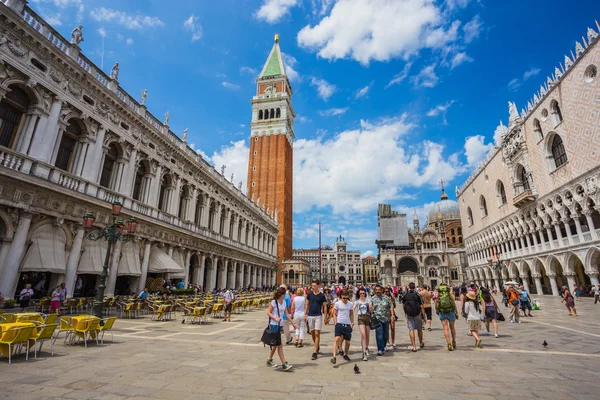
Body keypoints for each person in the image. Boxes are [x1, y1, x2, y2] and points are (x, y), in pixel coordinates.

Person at [266, 287, 296, 371]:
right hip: (274, 325)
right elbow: (268, 312)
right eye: (284, 294)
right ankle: (284, 363)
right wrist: (275, 318)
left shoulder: (284, 302)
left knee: (275, 345)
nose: (284, 295)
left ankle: (269, 359)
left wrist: (292, 322)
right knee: (279, 345)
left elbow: (286, 313)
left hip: (280, 325)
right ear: (280, 294)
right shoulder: (274, 302)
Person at [305, 280, 328, 360]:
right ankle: (317, 345)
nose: (312, 287)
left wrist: (325, 316)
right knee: (312, 333)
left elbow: (325, 306)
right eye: (312, 286)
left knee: (317, 333)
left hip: (318, 315)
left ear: (318, 286)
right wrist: (305, 314)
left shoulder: (322, 296)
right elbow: (307, 304)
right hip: (310, 315)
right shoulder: (310, 294)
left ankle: (315, 352)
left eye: (314, 286)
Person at [330, 290, 354, 364]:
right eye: (344, 298)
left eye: (346, 298)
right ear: (341, 297)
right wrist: (335, 322)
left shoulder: (350, 304)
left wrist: (352, 323)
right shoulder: (337, 303)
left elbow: (351, 314)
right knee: (337, 338)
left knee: (348, 341)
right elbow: (334, 313)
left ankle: (345, 354)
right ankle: (334, 357)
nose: (345, 300)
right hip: (339, 323)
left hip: (347, 323)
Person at [371, 284, 394, 356]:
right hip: (377, 319)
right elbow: (370, 308)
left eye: (379, 290)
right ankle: (380, 349)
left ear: (381, 290)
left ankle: (384, 345)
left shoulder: (386, 298)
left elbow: (391, 306)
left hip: (386, 318)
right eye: (376, 290)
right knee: (379, 334)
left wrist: (392, 315)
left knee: (386, 334)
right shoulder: (373, 299)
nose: (378, 291)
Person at [403, 282, 426, 352]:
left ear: (408, 287)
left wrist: (405, 312)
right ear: (415, 287)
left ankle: (414, 346)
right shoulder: (417, 295)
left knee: (411, 329)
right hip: (417, 314)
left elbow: (403, 304)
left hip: (409, 314)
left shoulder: (405, 295)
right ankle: (421, 343)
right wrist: (424, 316)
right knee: (419, 329)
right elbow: (421, 306)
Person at [435, 283, 458, 351]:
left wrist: (436, 310)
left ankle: (449, 344)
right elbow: (453, 302)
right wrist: (456, 311)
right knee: (452, 327)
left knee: (445, 328)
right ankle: (454, 341)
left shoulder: (438, 293)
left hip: (442, 312)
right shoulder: (449, 293)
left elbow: (436, 302)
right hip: (451, 311)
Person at [354, 287, 374, 361]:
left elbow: (372, 311)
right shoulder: (357, 301)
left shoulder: (368, 301)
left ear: (365, 293)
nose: (362, 294)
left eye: (363, 293)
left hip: (367, 318)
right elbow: (352, 310)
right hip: (360, 318)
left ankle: (366, 347)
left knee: (367, 335)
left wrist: (371, 308)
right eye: (360, 293)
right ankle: (364, 352)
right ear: (358, 294)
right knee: (363, 334)